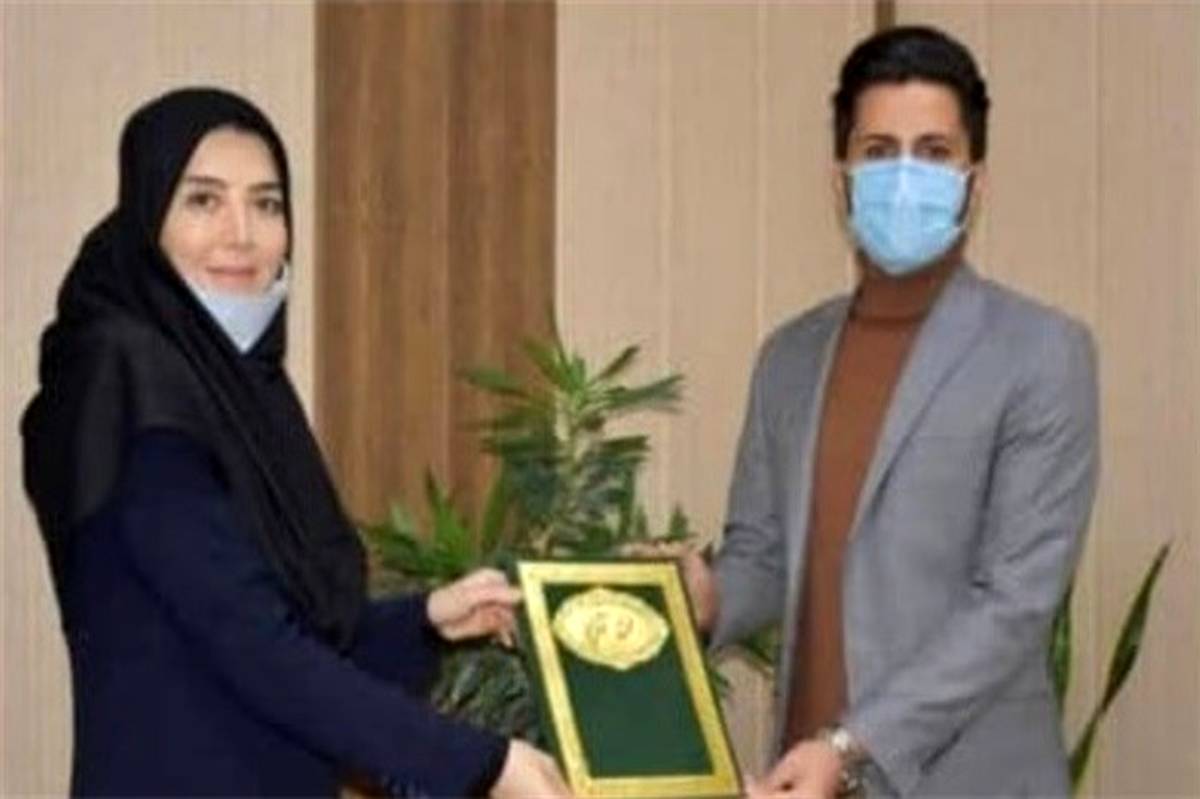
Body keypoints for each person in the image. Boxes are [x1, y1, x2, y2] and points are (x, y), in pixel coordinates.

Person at [21, 87, 571, 798]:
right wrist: (483, 762)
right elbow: (259, 650)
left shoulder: (232, 386)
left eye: (267, 204)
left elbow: (295, 635)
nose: (242, 234)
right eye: (203, 201)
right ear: (148, 214)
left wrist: (430, 620)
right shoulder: (133, 382)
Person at [684, 25, 1099, 798]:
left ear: (975, 181)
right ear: (842, 178)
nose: (905, 176)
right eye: (879, 151)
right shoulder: (788, 356)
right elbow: (764, 556)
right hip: (801, 776)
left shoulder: (1043, 352)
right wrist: (705, 598)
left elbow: (1013, 603)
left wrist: (849, 744)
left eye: (934, 152)